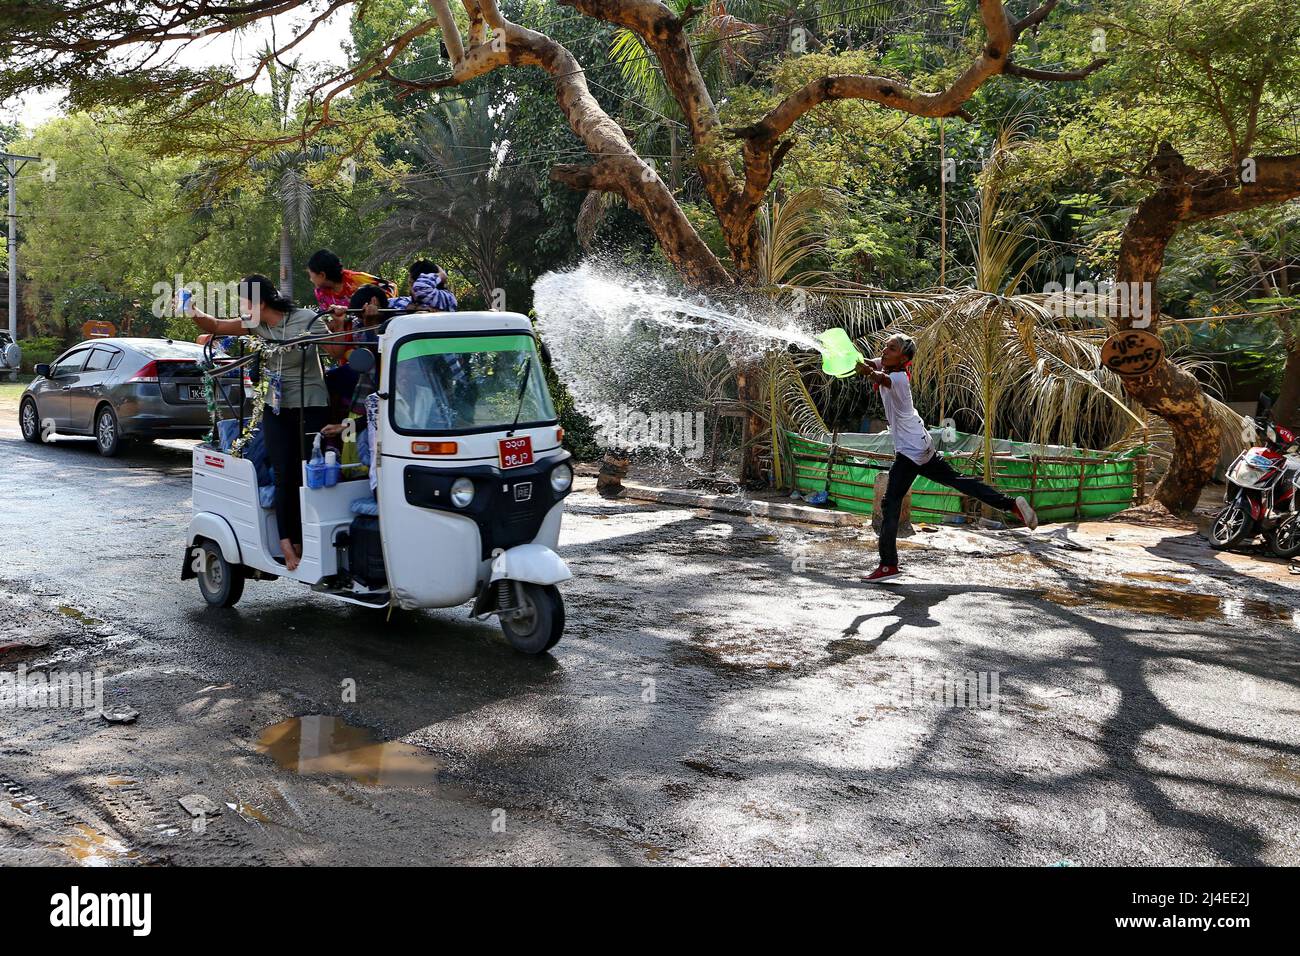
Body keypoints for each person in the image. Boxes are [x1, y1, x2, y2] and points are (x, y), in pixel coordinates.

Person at [188, 275, 344, 572]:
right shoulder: (255, 324)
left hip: (310, 406)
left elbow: (336, 352)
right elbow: (217, 327)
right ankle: (287, 543)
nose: (242, 309)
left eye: (245, 302)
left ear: (260, 302)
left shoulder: (306, 320)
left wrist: (337, 323)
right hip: (275, 407)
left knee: (307, 472)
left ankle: (311, 540)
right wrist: (192, 310)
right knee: (283, 473)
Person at [856, 333, 1038, 582]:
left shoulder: (897, 378)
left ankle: (888, 565)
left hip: (910, 452)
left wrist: (863, 369)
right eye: (885, 347)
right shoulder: (890, 365)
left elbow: (877, 376)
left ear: (904, 358)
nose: (885, 351)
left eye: (892, 348)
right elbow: (869, 363)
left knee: (890, 504)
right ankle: (1011, 504)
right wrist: (849, 358)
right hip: (921, 445)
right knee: (959, 481)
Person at [306, 249, 395, 311]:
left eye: (311, 275)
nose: (310, 279)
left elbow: (391, 286)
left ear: (322, 275)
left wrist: (379, 304)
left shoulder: (356, 279)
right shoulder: (320, 293)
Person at [389, 259, 458, 313]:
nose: (410, 288)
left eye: (411, 283)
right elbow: (387, 302)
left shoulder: (445, 297)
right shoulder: (408, 301)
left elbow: (421, 288)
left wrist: (442, 275)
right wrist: (413, 308)